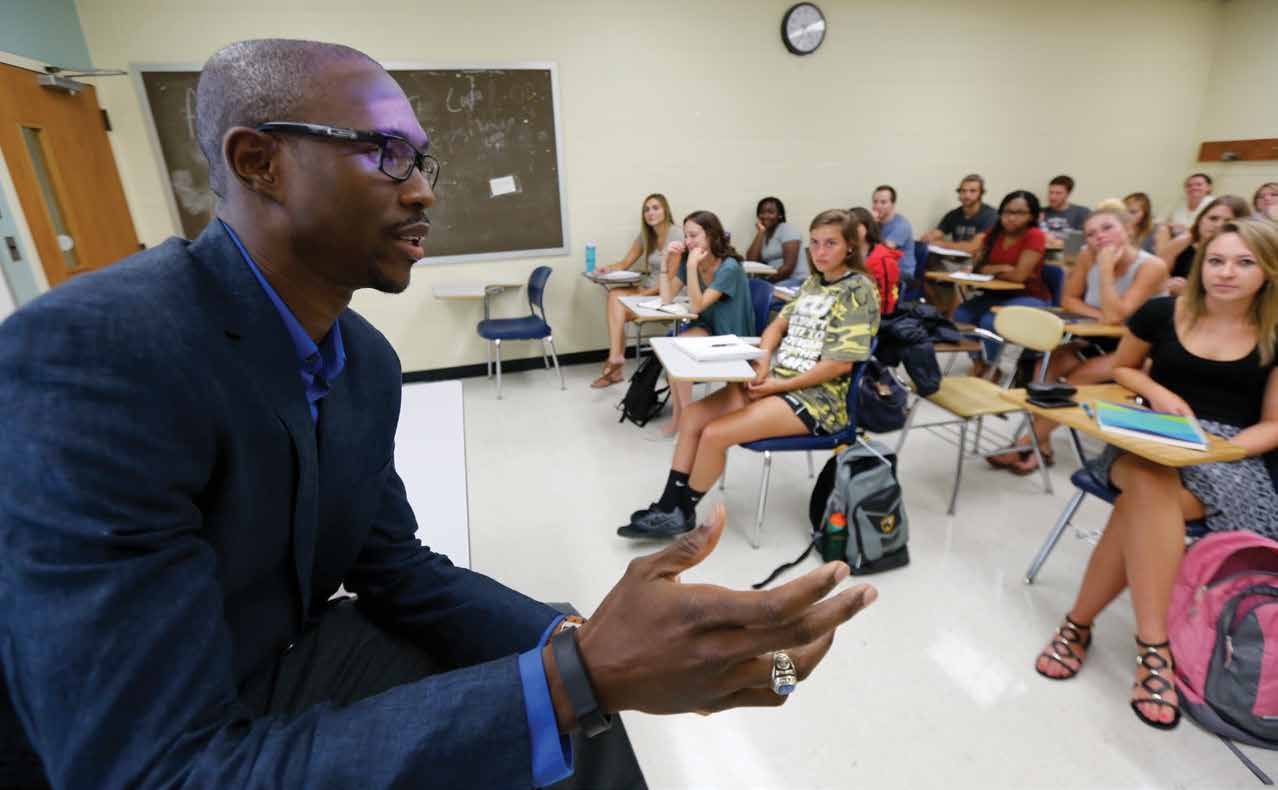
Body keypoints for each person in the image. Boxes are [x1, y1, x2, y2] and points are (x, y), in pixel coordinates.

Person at [0, 39, 879, 789]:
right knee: (572, 690)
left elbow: (396, 571)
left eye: (424, 160)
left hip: (289, 656)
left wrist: (604, 645)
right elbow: (155, 769)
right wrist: (579, 671)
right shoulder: (99, 353)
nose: (422, 190)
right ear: (256, 161)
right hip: (152, 737)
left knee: (584, 699)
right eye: (385, 152)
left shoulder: (365, 365)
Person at [1033, 219, 1278, 732]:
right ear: (1201, 264)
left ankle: (1078, 625)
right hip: (1145, 438)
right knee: (1146, 481)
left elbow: (1273, 425)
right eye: (1215, 260)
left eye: (1243, 262)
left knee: (1141, 504)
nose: (1226, 272)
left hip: (1225, 458)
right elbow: (1122, 368)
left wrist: (1216, 450)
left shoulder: (1276, 332)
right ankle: (1154, 650)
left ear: (1268, 271)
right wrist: (1162, 393)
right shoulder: (1163, 311)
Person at [620, 209, 881, 537]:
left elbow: (840, 365)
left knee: (715, 433)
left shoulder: (859, 289)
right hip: (777, 381)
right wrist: (763, 360)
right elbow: (778, 324)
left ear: (850, 248)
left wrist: (776, 386)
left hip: (818, 399)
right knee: (693, 417)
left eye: (831, 244)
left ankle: (682, 512)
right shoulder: (813, 284)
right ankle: (668, 504)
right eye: (814, 243)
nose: (820, 252)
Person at [988, 206, 1168, 474]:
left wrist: (1106, 270)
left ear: (1129, 229)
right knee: (1044, 368)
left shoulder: (1152, 266)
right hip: (1101, 339)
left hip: (1143, 350)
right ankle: (1042, 446)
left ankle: (1026, 444)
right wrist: (1101, 316)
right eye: (1091, 234)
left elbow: (1118, 314)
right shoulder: (1087, 256)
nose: (1099, 238)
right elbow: (1069, 299)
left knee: (1077, 379)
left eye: (1108, 228)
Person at [659, 210, 755, 435]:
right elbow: (666, 298)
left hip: (732, 335)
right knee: (676, 349)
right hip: (710, 329)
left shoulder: (729, 266)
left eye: (694, 236)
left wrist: (691, 267)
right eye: (686, 236)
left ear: (711, 235)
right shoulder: (691, 260)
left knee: (680, 351)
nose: (688, 242)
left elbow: (697, 305)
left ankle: (686, 420)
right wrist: (666, 262)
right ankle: (682, 416)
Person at [952, 190, 1051, 377]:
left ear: (1032, 216)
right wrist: (1001, 268)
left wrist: (992, 269)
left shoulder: (1035, 235)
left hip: (1030, 297)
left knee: (990, 320)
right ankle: (979, 362)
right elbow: (979, 267)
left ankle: (991, 366)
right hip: (996, 295)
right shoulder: (995, 232)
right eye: (1007, 212)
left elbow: (1019, 277)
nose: (1011, 218)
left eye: (1020, 213)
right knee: (961, 313)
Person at [591, 193, 683, 388]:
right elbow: (625, 262)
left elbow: (672, 278)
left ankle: (614, 366)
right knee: (615, 294)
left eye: (655, 208)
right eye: (646, 209)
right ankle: (615, 357)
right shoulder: (646, 235)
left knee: (619, 305)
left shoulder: (676, 234)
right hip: (649, 289)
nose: (650, 213)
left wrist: (641, 295)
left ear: (666, 210)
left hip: (668, 295)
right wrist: (606, 270)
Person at [919, 174, 999, 313]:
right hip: (953, 261)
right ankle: (940, 311)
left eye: (972, 191)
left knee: (961, 280)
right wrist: (929, 236)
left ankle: (951, 320)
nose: (966, 195)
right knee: (920, 272)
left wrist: (943, 244)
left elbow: (974, 247)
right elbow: (934, 234)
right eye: (963, 191)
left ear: (981, 193)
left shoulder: (990, 215)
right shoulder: (954, 214)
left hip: (975, 262)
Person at [1156, 194, 1249, 296]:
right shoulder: (1183, 242)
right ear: (1200, 219)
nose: (1218, 225)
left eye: (1228, 221)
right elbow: (1154, 279)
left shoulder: (1241, 255)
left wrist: (1188, 293)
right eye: (1213, 218)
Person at [849, 206, 903, 314]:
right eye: (847, 227)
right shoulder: (847, 253)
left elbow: (886, 299)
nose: (850, 231)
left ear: (867, 227)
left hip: (875, 317)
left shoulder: (883, 259)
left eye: (855, 226)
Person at [744, 196, 804, 286]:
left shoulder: (787, 229)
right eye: (762, 212)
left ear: (780, 215)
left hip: (795, 280)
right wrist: (760, 232)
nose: (765, 216)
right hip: (775, 280)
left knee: (757, 293)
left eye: (770, 212)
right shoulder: (764, 234)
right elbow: (751, 261)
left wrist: (766, 283)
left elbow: (788, 268)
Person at [871, 184, 916, 281]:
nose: (877, 206)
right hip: (882, 268)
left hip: (902, 272)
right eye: (875, 202)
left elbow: (884, 250)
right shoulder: (877, 223)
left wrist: (872, 226)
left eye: (883, 202)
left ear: (893, 204)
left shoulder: (902, 225)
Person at [1042, 175, 1090, 239]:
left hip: (1071, 249)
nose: (1052, 197)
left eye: (1058, 193)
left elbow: (1082, 241)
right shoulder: (1040, 212)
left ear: (1068, 194)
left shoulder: (1082, 213)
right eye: (1051, 192)